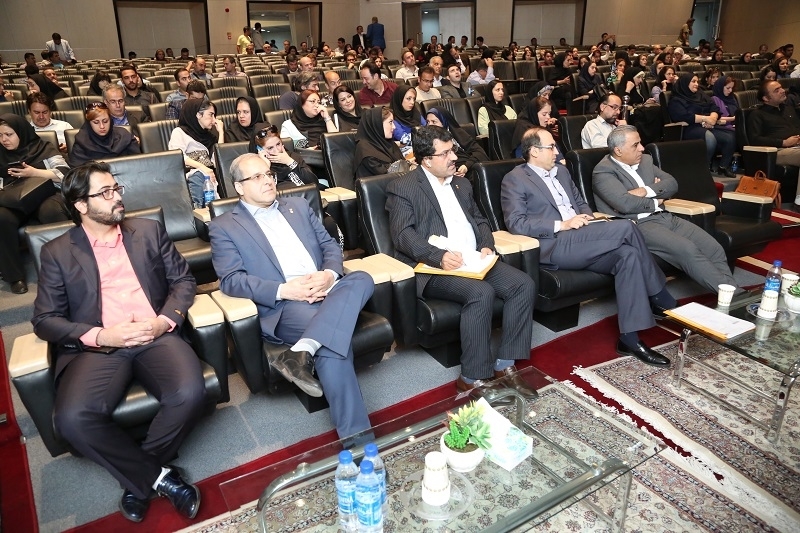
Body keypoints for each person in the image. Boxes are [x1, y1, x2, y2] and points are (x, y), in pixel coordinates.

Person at [32, 161, 204, 523]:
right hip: (99, 347)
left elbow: (183, 281)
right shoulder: (57, 252)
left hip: (154, 335)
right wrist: (101, 335)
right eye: (105, 192)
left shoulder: (148, 230)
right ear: (81, 204)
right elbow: (45, 320)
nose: (117, 198)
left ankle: (138, 480)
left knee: (189, 393)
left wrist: (163, 321)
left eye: (116, 189)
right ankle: (159, 478)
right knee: (72, 419)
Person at [209, 153, 374, 442]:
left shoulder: (297, 205)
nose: (267, 181)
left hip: (327, 289)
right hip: (287, 305)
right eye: (256, 177)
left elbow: (330, 246)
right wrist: (285, 290)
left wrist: (329, 275)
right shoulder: (224, 226)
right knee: (332, 346)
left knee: (362, 278)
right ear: (239, 187)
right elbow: (231, 280)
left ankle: (303, 350)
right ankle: (359, 442)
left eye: (269, 174)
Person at [502, 126, 676, 366]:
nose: (557, 151)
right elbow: (516, 223)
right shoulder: (515, 178)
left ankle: (629, 339)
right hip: (555, 243)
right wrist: (562, 224)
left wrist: (587, 218)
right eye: (551, 147)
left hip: (583, 235)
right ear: (534, 151)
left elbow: (580, 202)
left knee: (628, 255)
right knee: (626, 227)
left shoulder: (562, 172)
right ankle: (660, 295)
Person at [385, 126, 537, 397]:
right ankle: (472, 377)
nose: (454, 157)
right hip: (433, 267)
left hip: (472, 260)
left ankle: (505, 365)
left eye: (452, 150)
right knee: (481, 292)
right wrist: (438, 256)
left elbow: (480, 220)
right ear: (426, 160)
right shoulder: (403, 187)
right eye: (445, 153)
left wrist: (486, 245)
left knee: (522, 284)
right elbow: (403, 235)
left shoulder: (461, 183)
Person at [592, 125, 739, 292]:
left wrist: (644, 191)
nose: (642, 148)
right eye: (635, 145)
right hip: (639, 225)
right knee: (688, 250)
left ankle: (729, 296)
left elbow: (672, 184)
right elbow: (624, 204)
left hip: (665, 217)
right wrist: (657, 199)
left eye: (640, 143)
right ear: (618, 151)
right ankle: (734, 295)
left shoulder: (645, 160)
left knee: (714, 248)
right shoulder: (603, 171)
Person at [0, 114, 70, 294]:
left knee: (52, 210)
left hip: (44, 195)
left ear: (22, 132)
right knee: (2, 218)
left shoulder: (43, 147)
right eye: (0, 135)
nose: (4, 139)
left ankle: (68, 265)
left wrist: (34, 173)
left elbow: (65, 173)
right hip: (14, 200)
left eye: (9, 134)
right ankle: (14, 277)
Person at [668, 74, 736, 177]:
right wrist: (705, 119)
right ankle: (704, 169)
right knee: (709, 138)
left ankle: (723, 167)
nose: (697, 84)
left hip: (707, 125)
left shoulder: (700, 94)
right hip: (688, 128)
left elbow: (714, 107)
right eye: (693, 81)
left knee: (730, 136)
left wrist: (712, 118)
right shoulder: (677, 99)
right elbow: (682, 116)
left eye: (697, 81)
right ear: (685, 83)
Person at [746, 81, 800, 207]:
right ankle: (799, 202)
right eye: (777, 90)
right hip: (776, 151)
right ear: (766, 98)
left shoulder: (788, 109)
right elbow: (755, 140)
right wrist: (783, 142)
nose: (782, 91)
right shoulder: (757, 114)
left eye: (781, 88)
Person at [168, 99, 224, 208]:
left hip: (210, 175)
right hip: (190, 175)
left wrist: (221, 133)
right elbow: (178, 156)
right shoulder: (179, 132)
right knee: (198, 175)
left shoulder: (210, 136)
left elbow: (218, 160)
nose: (214, 120)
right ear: (198, 115)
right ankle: (197, 210)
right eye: (211, 115)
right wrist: (201, 167)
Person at [70, 102, 141, 167]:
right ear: (89, 123)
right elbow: (77, 172)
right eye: (96, 122)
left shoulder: (124, 136)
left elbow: (139, 164)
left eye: (105, 121)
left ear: (110, 120)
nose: (102, 126)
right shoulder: (82, 141)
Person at [425, 107, 489, 177]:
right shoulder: (427, 141)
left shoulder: (458, 133)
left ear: (444, 122)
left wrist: (466, 166)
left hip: (470, 168)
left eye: (434, 122)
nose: (430, 125)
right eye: (428, 122)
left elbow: (480, 152)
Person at [354, 107, 405, 177]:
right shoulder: (366, 151)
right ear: (378, 124)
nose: (394, 127)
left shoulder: (388, 142)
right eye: (390, 122)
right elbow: (387, 175)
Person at [512, 97, 564, 163]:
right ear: (534, 113)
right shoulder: (523, 130)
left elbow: (556, 151)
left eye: (549, 114)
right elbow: (524, 160)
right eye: (544, 114)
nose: (548, 117)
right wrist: (559, 162)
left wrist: (561, 161)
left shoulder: (544, 128)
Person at [390, 85, 424, 158]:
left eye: (414, 99)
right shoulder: (392, 118)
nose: (412, 102)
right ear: (399, 99)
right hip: (403, 153)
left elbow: (428, 129)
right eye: (408, 99)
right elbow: (404, 140)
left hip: (421, 148)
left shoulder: (415, 113)